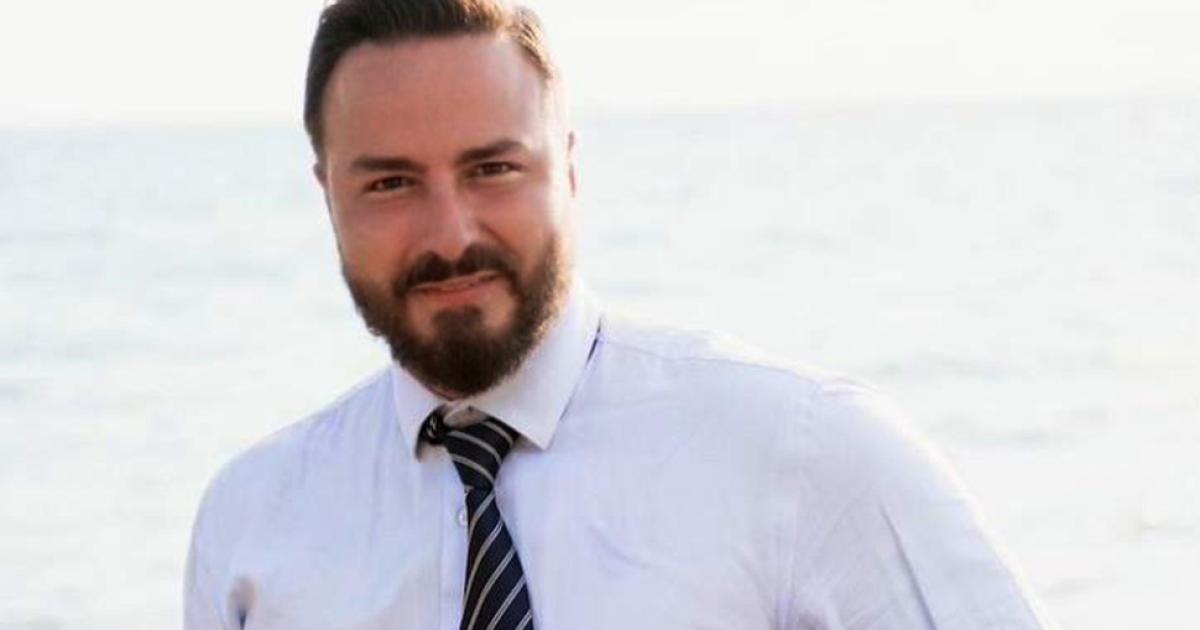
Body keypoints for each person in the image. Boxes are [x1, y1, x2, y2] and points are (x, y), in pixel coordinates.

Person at [184, 0, 1051, 628]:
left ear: (567, 167)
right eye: (390, 183)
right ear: (327, 195)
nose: (450, 235)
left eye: (492, 169)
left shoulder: (807, 453)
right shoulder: (254, 522)